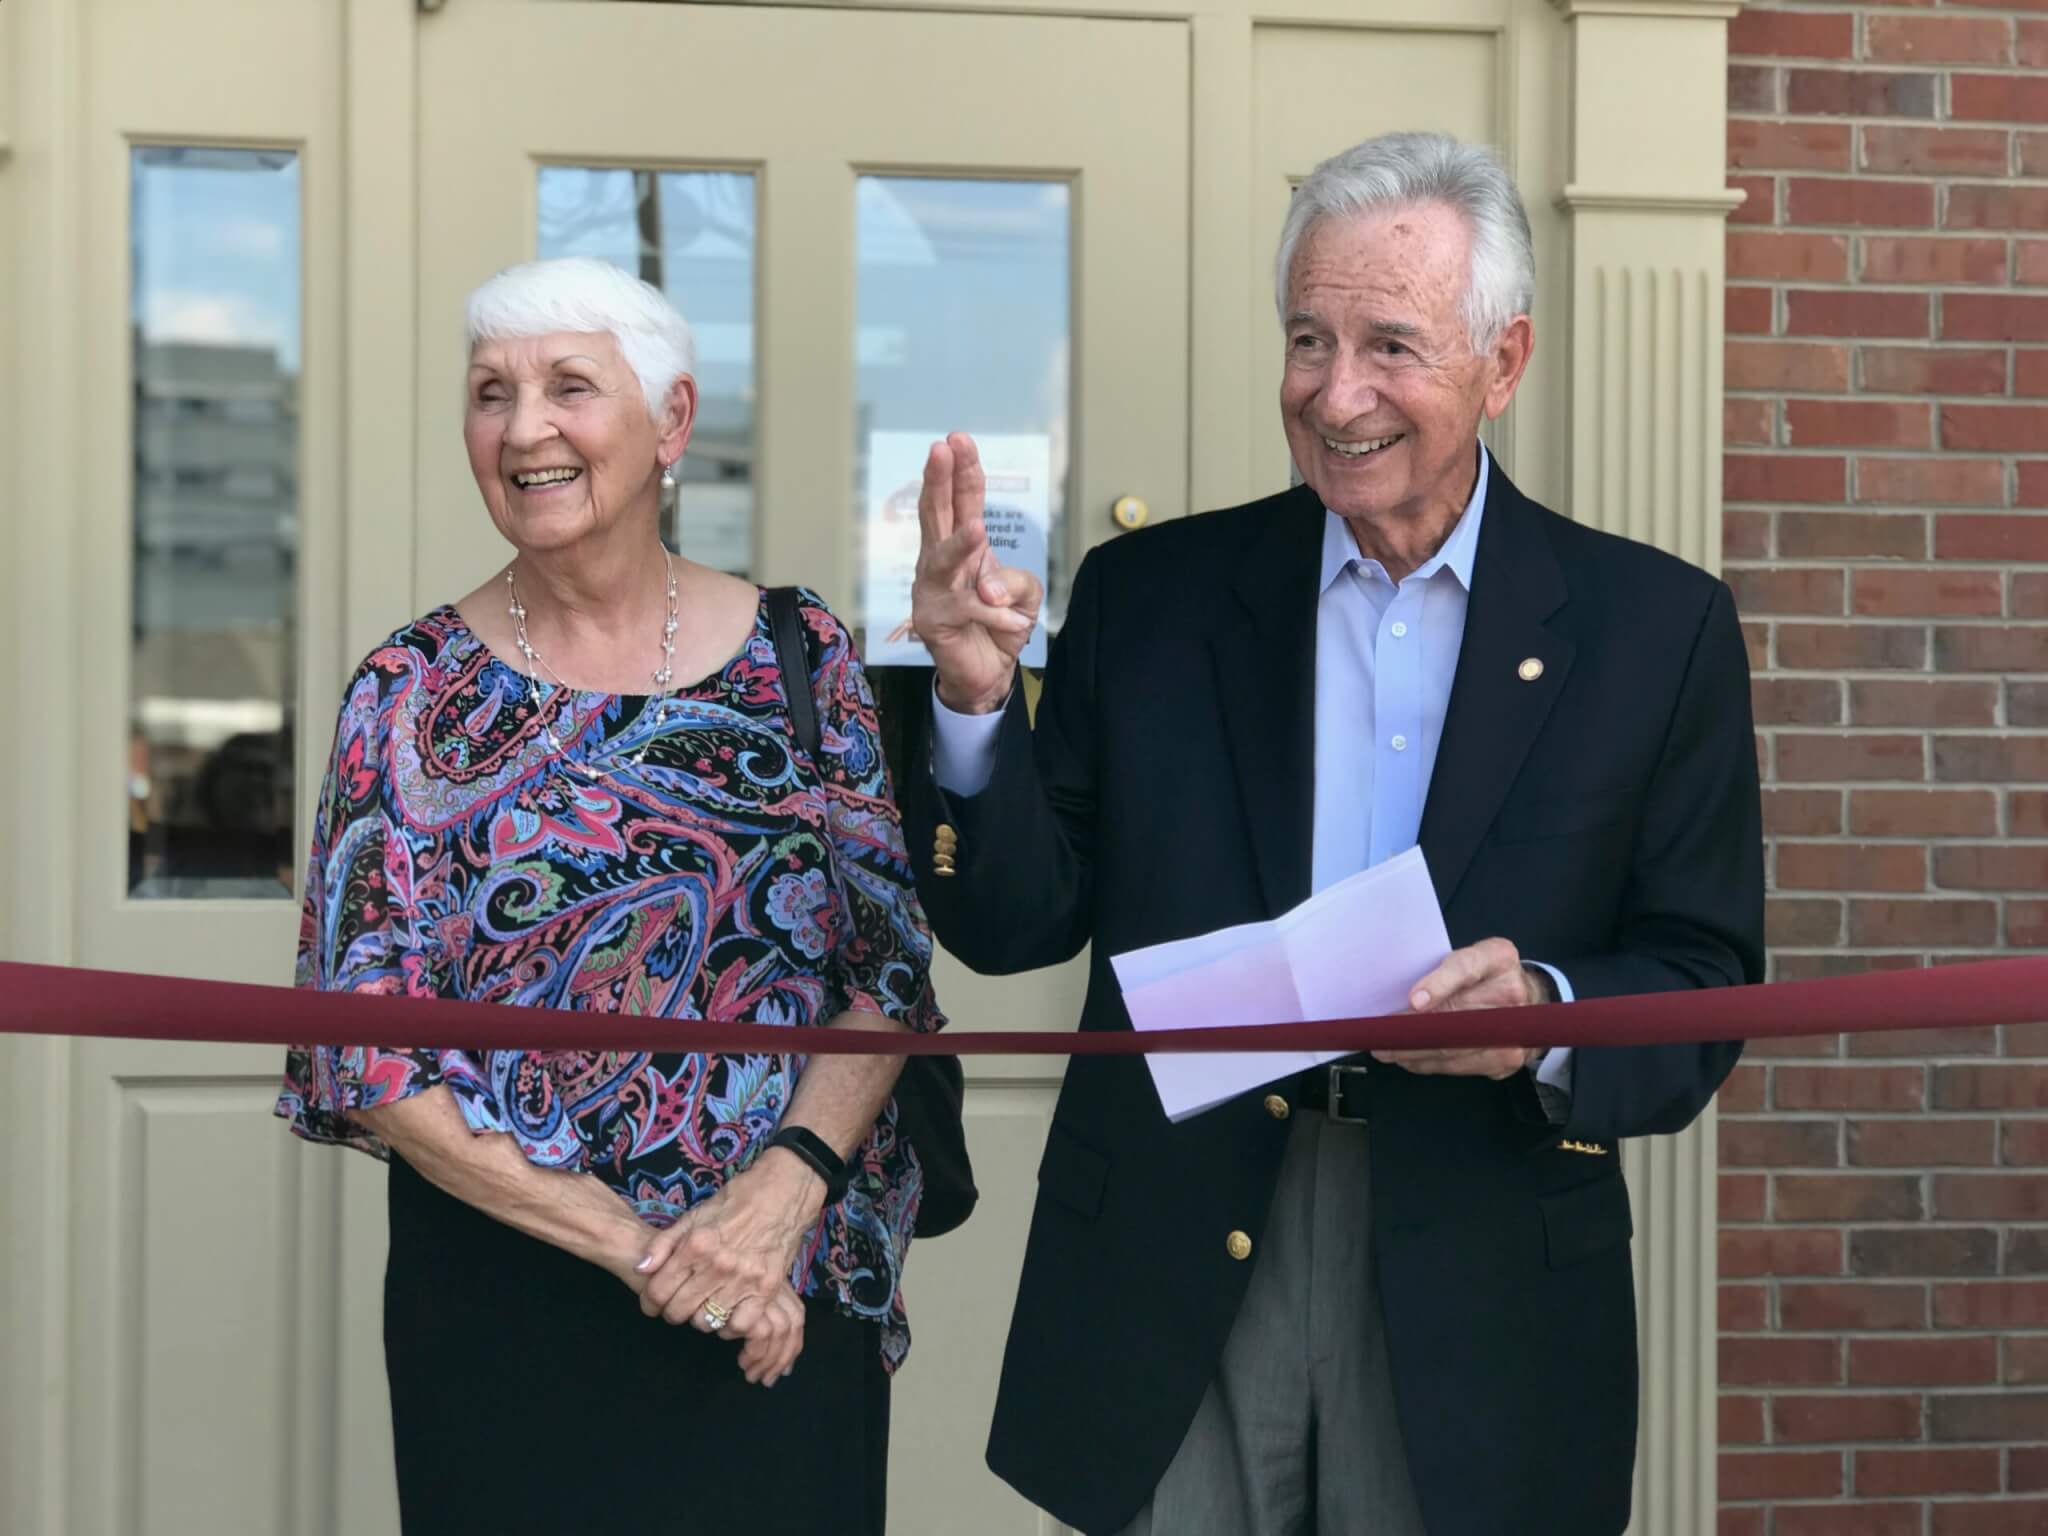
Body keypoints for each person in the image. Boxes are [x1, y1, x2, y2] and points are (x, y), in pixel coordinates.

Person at [902, 131, 1763, 1536]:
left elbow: (1704, 981)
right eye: (1309, 338)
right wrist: (974, 702)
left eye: (1391, 345)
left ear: (1507, 360)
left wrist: (1544, 1017)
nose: (1337, 394)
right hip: (1179, 1244)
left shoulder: (1654, 633)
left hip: (1477, 1262)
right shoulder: (1152, 597)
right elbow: (1011, 927)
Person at [277, 255, 940, 1535]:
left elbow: (892, 976)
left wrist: (778, 1199)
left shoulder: (803, 657)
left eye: (568, 387)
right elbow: (364, 1044)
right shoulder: (406, 693)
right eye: (490, 394)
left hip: (786, 1292)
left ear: (671, 422)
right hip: (514, 1308)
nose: (523, 428)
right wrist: (660, 1257)